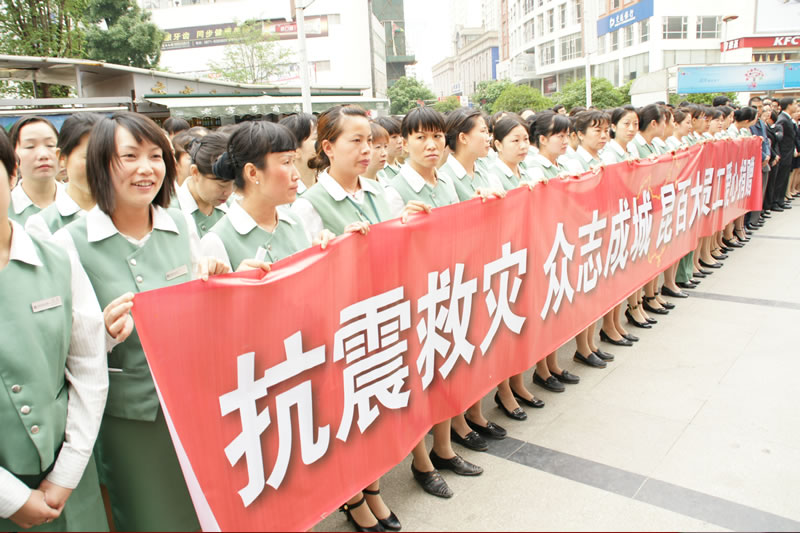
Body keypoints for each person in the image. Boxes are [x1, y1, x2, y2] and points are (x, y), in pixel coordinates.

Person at [51, 112, 233, 532]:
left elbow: (202, 313)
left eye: (155, 156)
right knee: (148, 517)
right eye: (129, 156)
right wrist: (103, 333)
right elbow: (61, 347)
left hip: (194, 404)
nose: (146, 168)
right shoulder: (68, 244)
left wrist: (221, 281)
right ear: (100, 164)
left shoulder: (180, 225)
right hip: (128, 420)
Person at [292, 105, 425, 530]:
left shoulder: (380, 192)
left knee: (376, 412)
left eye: (370, 140)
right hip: (341, 328)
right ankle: (353, 498)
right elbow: (304, 279)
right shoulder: (308, 206)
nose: (367, 149)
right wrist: (337, 251)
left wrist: (410, 226)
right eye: (356, 141)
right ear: (328, 148)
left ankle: (373, 488)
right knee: (348, 418)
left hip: (382, 318)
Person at [0, 127, 109, 532]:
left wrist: (67, 472)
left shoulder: (56, 256)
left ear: (12, 173)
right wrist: (10, 497)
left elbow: (88, 366)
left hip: (67, 482)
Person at [383, 107, 484, 498]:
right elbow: (387, 249)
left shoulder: (445, 182)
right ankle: (421, 461)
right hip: (415, 298)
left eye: (437, 137)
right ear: (405, 142)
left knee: (446, 372)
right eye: (421, 137)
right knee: (418, 381)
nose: (431, 145)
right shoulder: (394, 190)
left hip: (449, 288)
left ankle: (443, 449)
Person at [201, 121, 338, 270]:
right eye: (286, 162)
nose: (296, 175)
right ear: (252, 173)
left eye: (293, 162)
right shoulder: (217, 241)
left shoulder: (296, 222)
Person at [525, 111, 582, 394]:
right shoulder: (534, 167)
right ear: (542, 139)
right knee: (544, 311)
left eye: (566, 134)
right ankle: (542, 369)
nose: (564, 140)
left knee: (555, 308)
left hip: (560, 244)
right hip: (543, 247)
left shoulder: (560, 163)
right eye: (559, 135)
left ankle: (552, 364)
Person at [25, 113, 102, 239]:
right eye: (89, 157)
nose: (100, 165)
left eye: (107, 156)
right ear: (61, 158)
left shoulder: (126, 211)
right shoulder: (43, 225)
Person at [173, 133, 234, 237]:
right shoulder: (171, 212)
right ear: (195, 172)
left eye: (233, 184)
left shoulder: (233, 207)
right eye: (221, 185)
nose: (228, 192)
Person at [7, 116, 64, 225]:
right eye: (30, 146)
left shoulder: (79, 202)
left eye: (50, 145)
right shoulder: (5, 209)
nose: (43, 155)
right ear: (12, 154)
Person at [486, 115, 533, 190]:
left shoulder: (527, 173)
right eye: (516, 140)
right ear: (498, 145)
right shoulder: (492, 176)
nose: (523, 146)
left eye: (526, 139)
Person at [279, 113, 318, 193]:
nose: (324, 143)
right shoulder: (284, 195)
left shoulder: (330, 186)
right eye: (316, 138)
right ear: (295, 151)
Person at [374, 116, 403, 181]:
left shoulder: (404, 168)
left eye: (400, 135)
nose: (400, 141)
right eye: (394, 137)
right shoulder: (377, 172)